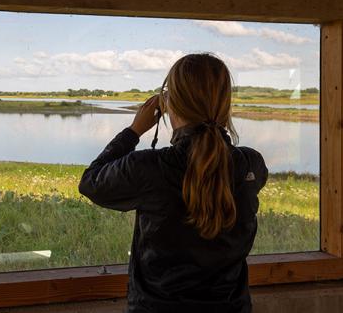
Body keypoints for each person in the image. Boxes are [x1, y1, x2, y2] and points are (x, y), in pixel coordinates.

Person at [79, 53, 268, 313]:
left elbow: (91, 182)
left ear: (171, 103)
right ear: (225, 103)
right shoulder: (251, 166)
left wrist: (133, 131)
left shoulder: (149, 167)